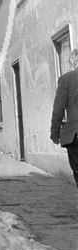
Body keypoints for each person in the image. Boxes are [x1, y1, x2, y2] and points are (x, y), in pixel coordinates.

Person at [50, 49, 78, 188]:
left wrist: (55, 133)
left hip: (75, 134)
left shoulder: (67, 79)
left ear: (73, 61)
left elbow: (58, 109)